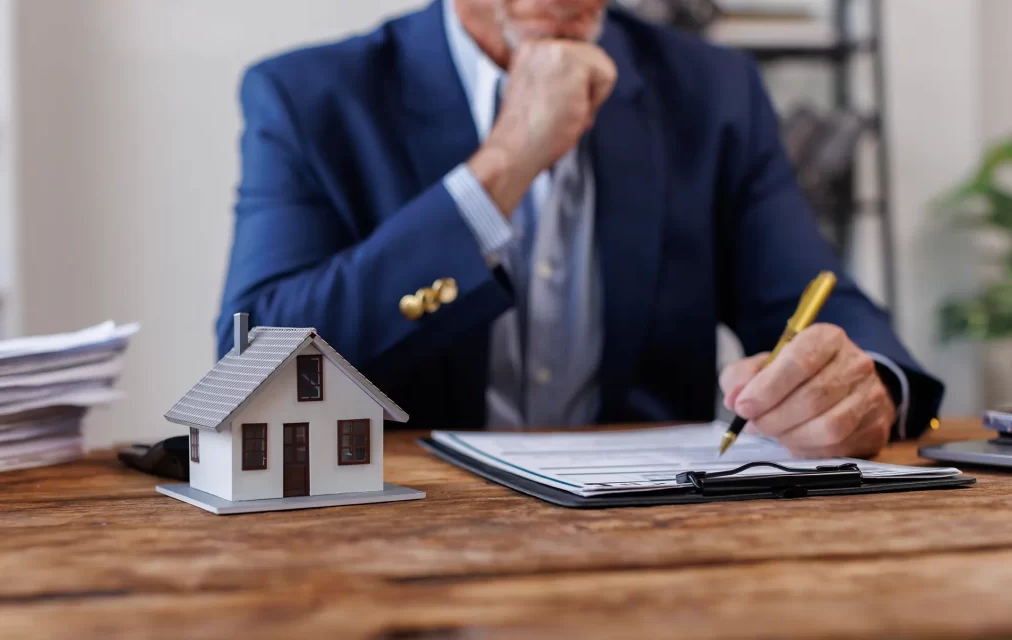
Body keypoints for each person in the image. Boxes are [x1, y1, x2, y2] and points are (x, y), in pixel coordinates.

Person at [216, 0, 944, 457]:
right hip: (400, 536)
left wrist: (865, 382)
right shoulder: (310, 96)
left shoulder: (714, 91)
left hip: (650, 531)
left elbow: (817, 299)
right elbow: (258, 367)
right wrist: (499, 168)